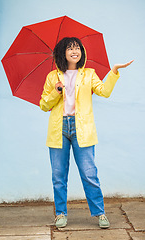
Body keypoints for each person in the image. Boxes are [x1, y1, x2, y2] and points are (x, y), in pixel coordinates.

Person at [39, 37, 133, 229]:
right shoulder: (52, 77)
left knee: (89, 174)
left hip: (82, 128)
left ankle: (100, 213)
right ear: (62, 53)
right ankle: (60, 214)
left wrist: (114, 71)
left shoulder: (89, 74)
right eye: (70, 48)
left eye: (78, 48)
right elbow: (43, 105)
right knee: (58, 175)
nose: (75, 51)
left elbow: (104, 91)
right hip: (59, 129)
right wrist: (55, 91)